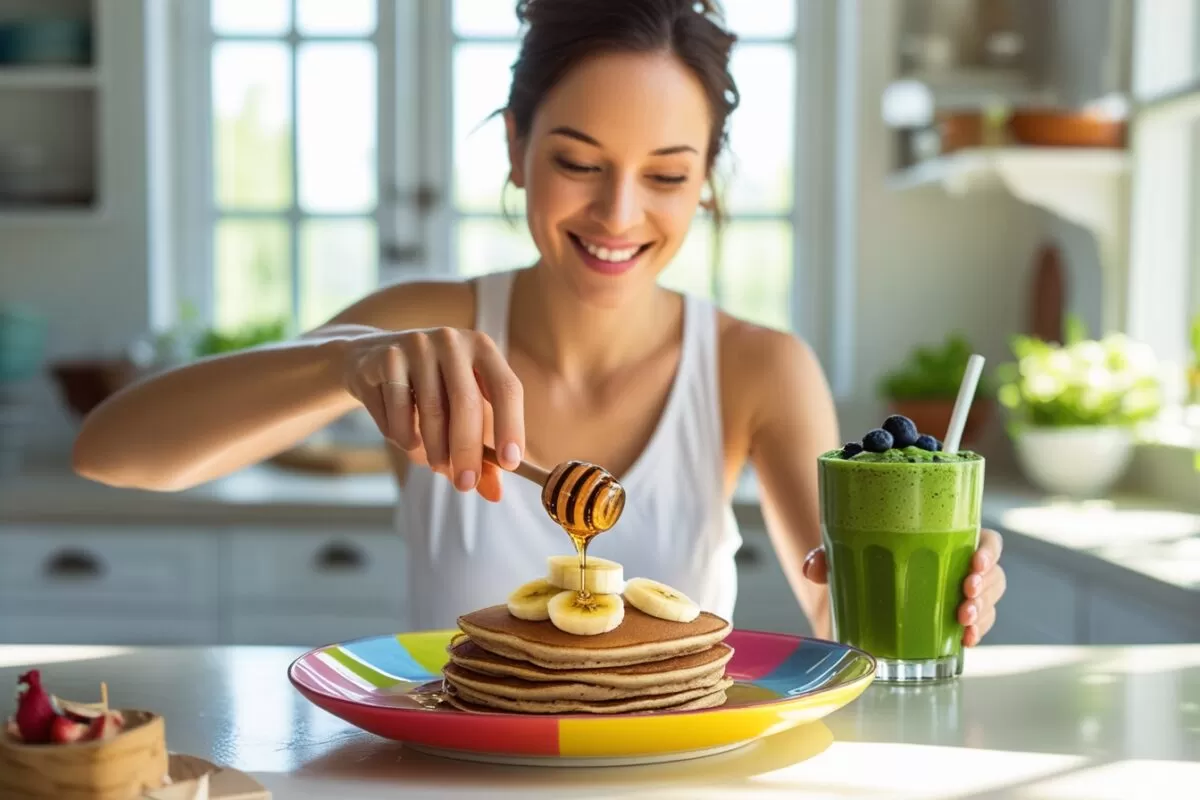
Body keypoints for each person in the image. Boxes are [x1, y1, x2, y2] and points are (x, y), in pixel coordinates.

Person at [71, 0, 1006, 639]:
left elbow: (833, 604)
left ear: (707, 182)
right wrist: (341, 365)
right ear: (517, 146)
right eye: (578, 161)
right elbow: (112, 452)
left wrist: (928, 591)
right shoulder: (425, 326)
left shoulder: (758, 367)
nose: (617, 214)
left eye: (669, 175)